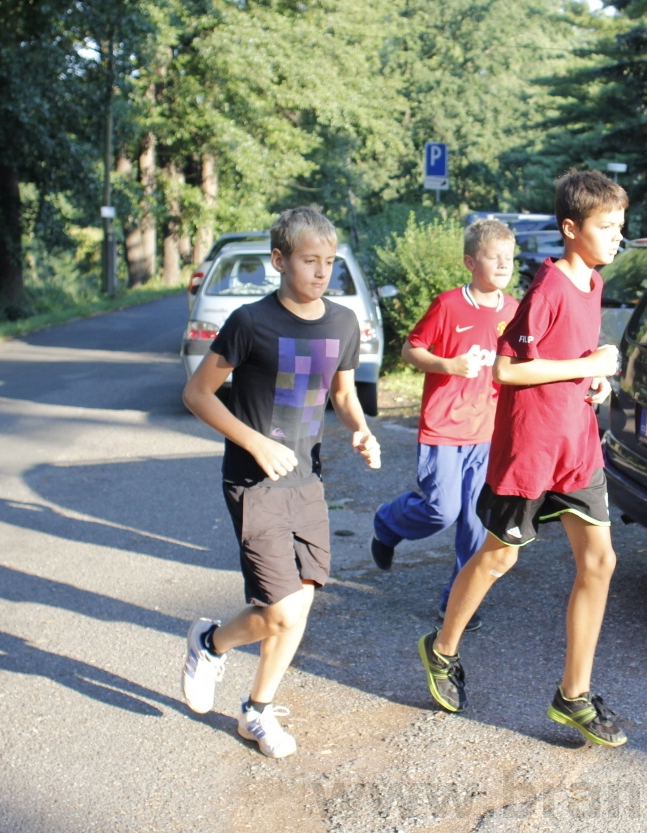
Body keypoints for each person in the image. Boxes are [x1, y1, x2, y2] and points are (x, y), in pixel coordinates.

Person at [417, 170, 629, 747]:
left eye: (620, 226)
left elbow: (574, 356)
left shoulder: (591, 284)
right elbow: (509, 370)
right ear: (570, 228)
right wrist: (588, 367)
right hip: (532, 450)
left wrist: (596, 381)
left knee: (600, 563)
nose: (617, 237)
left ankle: (573, 696)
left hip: (577, 446)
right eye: (606, 227)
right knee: (497, 559)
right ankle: (441, 651)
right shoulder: (550, 288)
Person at [180, 206, 381, 758]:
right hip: (253, 482)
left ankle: (256, 711)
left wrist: (361, 431)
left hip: (306, 481)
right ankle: (211, 642)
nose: (321, 272)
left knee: (301, 604)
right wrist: (254, 441)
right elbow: (197, 395)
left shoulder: (341, 322)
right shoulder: (250, 323)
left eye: (329, 262)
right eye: (309, 260)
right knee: (281, 609)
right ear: (279, 261)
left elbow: (343, 395)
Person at [371, 219, 520, 631]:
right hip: (443, 428)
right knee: (441, 509)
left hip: (487, 433)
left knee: (475, 523)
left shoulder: (515, 311)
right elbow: (410, 349)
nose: (505, 263)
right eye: (495, 257)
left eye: (510, 256)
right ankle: (388, 523)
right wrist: (448, 365)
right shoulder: (449, 305)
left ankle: (456, 602)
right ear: (471, 262)